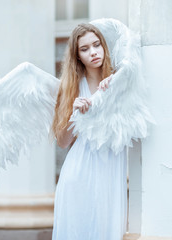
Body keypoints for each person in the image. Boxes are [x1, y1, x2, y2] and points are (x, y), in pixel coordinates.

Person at [51, 23, 128, 240]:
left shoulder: (119, 80)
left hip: (111, 172)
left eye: (96, 45)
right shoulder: (71, 88)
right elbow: (63, 142)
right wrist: (76, 114)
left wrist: (116, 88)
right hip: (79, 174)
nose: (93, 52)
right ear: (77, 57)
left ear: (104, 46)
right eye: (84, 49)